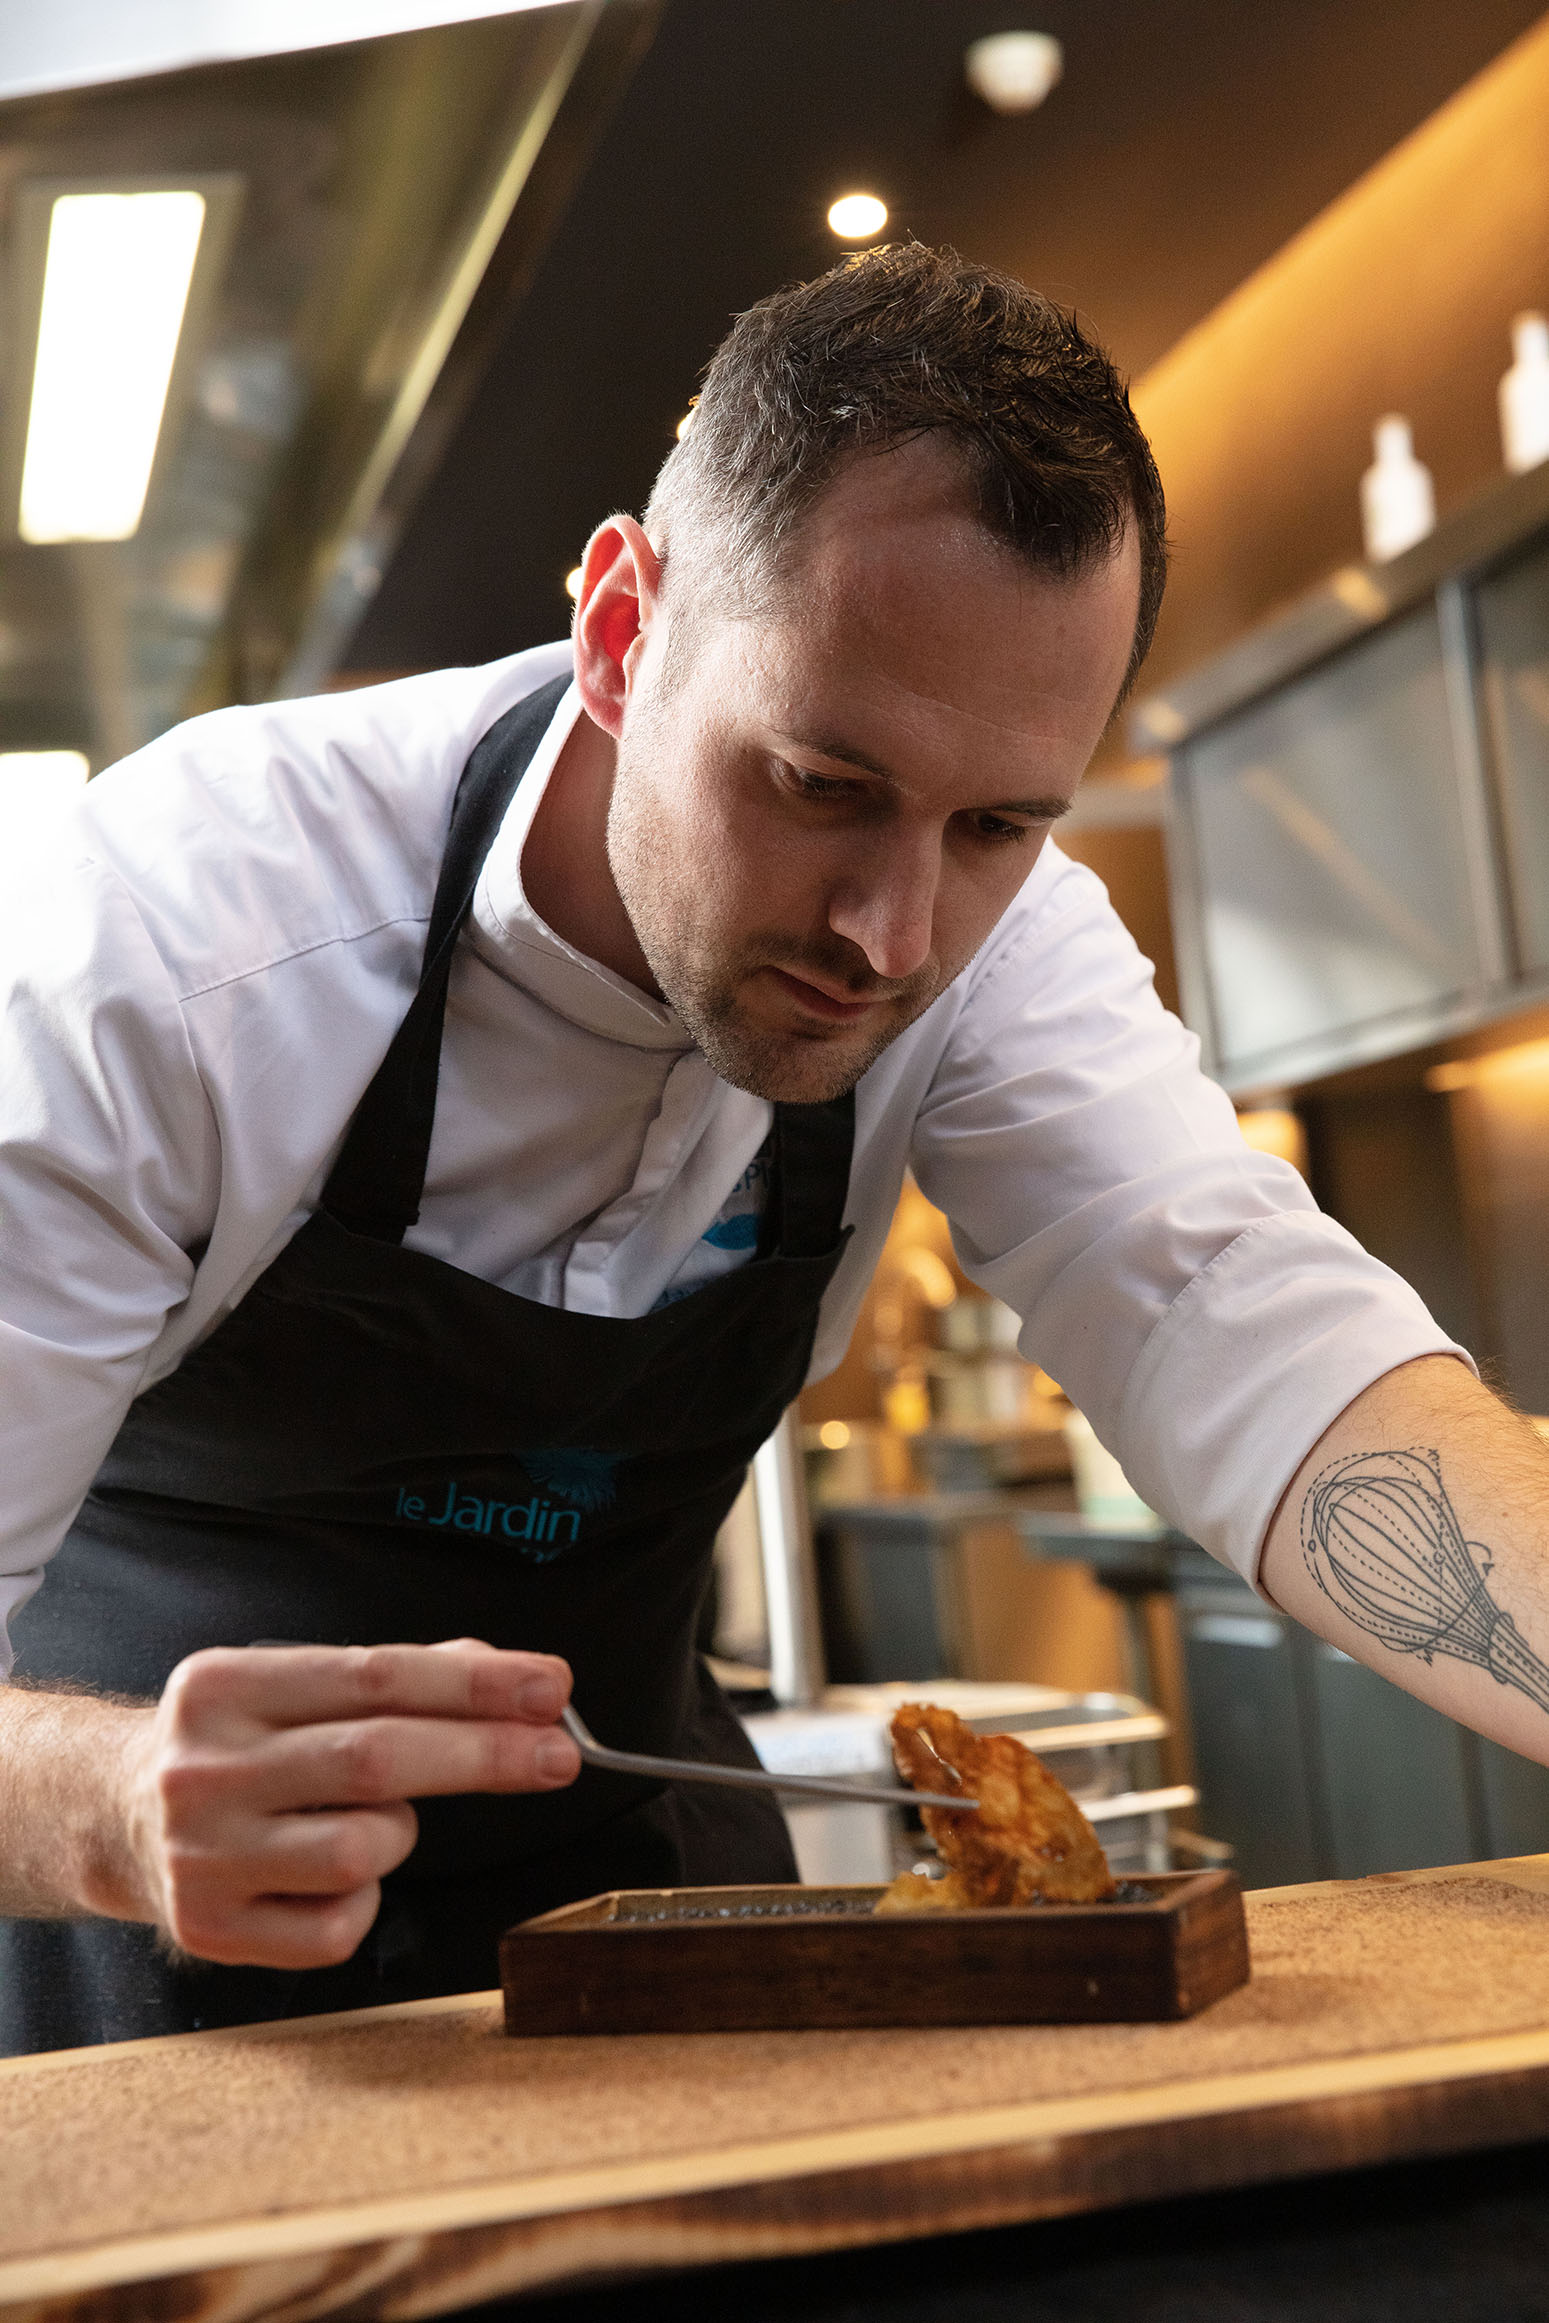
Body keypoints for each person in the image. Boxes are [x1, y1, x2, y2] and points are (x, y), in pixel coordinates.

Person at [0, 244, 1542, 2057]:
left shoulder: (999, 942)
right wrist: (107, 1804)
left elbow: (1250, 1334)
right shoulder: (175, 945)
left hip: (654, 1883)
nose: (892, 932)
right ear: (620, 628)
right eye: (821, 785)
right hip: (151, 1939)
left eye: (996, 826)